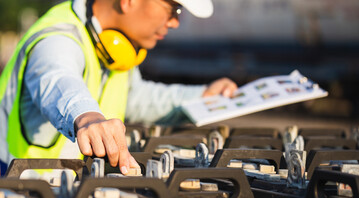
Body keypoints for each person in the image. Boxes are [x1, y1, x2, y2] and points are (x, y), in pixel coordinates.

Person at [0, 0, 237, 175]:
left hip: (59, 192)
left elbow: (136, 98)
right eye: (173, 8)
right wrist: (87, 118)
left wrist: (203, 98)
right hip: (14, 190)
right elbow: (55, 78)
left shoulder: (115, 48)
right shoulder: (58, 37)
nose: (175, 22)